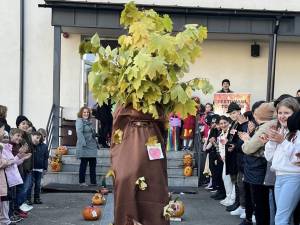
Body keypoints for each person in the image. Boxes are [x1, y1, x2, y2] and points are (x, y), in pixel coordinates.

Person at [263, 97, 300, 225]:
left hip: (293, 177)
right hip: (279, 176)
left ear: (295, 114)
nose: (282, 116)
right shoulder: (282, 131)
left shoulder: (298, 133)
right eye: (280, 113)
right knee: (284, 217)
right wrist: (272, 140)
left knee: (281, 218)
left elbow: (297, 157)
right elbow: (269, 157)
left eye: (286, 113)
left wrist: (282, 141)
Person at [239, 102, 275, 225]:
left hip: (257, 169)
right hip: (254, 169)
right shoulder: (265, 126)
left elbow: (249, 148)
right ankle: (249, 218)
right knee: (258, 201)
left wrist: (246, 140)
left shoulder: (265, 127)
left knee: (260, 203)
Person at [225, 102, 248, 215]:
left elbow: (243, 141)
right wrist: (229, 145)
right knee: (236, 182)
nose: (232, 115)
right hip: (233, 156)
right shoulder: (234, 124)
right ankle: (238, 203)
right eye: (230, 114)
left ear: (239, 111)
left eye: (234, 112)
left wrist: (234, 146)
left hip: (241, 157)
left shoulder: (244, 124)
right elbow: (231, 138)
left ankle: (242, 205)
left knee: (241, 183)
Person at [76, 106, 98, 186]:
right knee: (84, 164)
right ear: (81, 113)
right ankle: (82, 182)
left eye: (87, 112)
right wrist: (83, 143)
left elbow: (91, 133)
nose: (86, 114)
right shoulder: (79, 121)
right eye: (84, 112)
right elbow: (79, 132)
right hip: (84, 145)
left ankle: (93, 182)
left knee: (93, 164)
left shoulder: (89, 121)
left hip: (92, 145)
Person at [218, 115, 236, 207]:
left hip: (231, 159)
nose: (223, 125)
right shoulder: (221, 134)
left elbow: (231, 144)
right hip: (225, 159)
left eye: (225, 123)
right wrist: (222, 156)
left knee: (231, 179)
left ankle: (232, 199)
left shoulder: (231, 132)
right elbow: (220, 147)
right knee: (225, 178)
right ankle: (228, 196)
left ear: (228, 123)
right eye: (221, 123)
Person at [27, 129, 49, 204]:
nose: (43, 138)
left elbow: (46, 158)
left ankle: (37, 198)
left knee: (38, 184)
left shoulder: (45, 146)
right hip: (32, 167)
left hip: (39, 168)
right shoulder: (32, 145)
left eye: (44, 136)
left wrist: (45, 168)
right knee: (30, 184)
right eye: (42, 136)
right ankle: (28, 199)